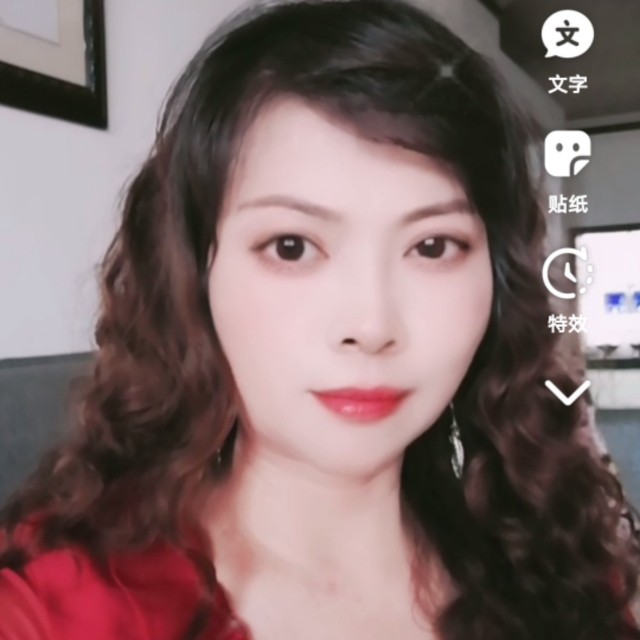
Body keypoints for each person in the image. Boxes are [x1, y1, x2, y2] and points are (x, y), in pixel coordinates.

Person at [1, 0, 639, 638]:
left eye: (432, 246)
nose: (371, 325)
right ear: (195, 275)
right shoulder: (53, 607)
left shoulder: (555, 564)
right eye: (292, 247)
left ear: (498, 281)